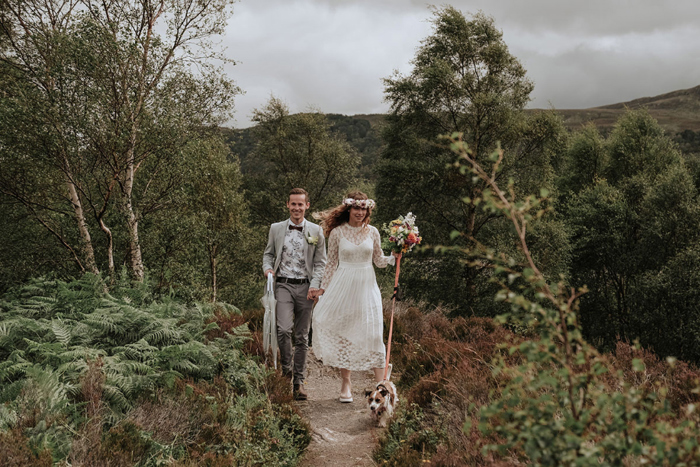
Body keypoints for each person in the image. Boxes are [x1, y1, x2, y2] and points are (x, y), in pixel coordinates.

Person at [311, 191, 398, 402]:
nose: (360, 212)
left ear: (367, 210)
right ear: (348, 209)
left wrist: (394, 257)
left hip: (367, 287)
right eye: (356, 208)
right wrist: (323, 288)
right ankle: (346, 383)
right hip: (343, 285)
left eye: (363, 208)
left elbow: (378, 260)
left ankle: (381, 387)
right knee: (345, 333)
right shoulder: (338, 233)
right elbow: (331, 263)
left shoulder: (373, 232)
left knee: (375, 334)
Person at [263, 188, 327, 401]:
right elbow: (268, 255)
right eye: (293, 204)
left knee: (301, 337)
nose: (297, 208)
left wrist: (315, 286)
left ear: (307, 206)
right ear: (288, 205)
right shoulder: (276, 228)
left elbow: (320, 263)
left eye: (301, 204)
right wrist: (267, 269)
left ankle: (298, 382)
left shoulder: (317, 231)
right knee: (282, 330)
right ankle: (286, 371)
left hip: (306, 288)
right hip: (283, 285)